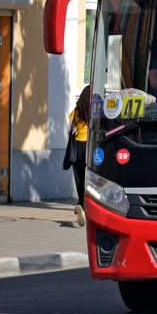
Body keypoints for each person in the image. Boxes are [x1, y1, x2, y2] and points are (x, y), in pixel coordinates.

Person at [66, 84, 91, 227]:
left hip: (77, 147)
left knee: (79, 177)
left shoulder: (76, 112)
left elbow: (69, 130)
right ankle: (88, 208)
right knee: (90, 178)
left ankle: (81, 203)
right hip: (90, 146)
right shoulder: (94, 112)